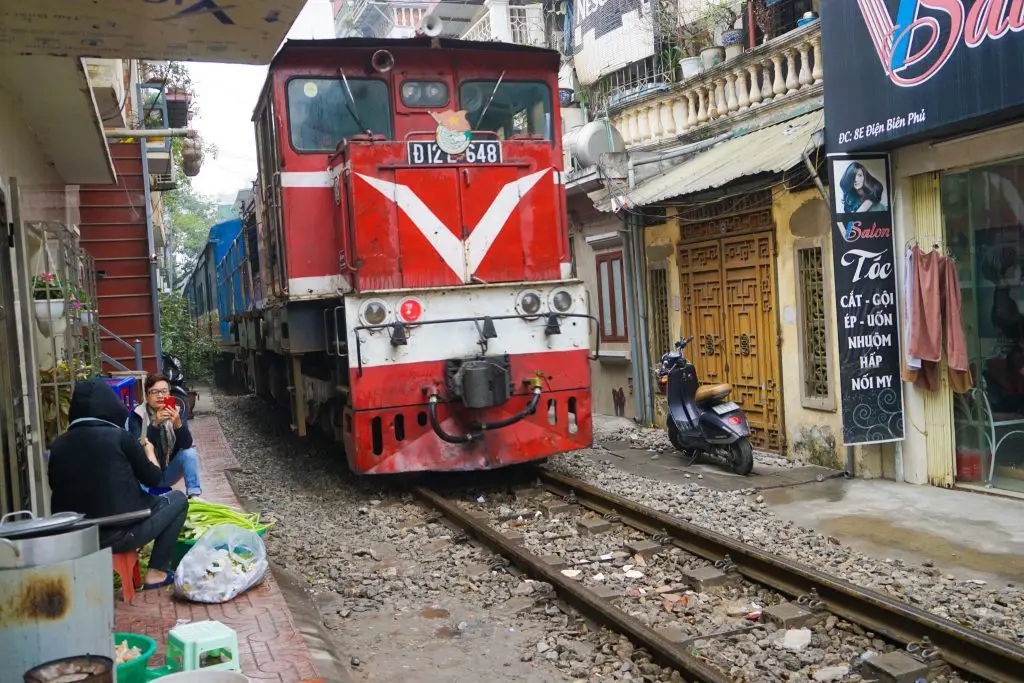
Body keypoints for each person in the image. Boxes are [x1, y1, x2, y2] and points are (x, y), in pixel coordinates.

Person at [48, 378, 186, 589]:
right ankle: (156, 572)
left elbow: (53, 483)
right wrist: (149, 452)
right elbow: (153, 478)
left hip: (77, 538)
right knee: (177, 499)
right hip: (121, 534)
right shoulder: (120, 437)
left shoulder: (57, 445)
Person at [131, 373, 203, 498]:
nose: (160, 396)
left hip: (168, 471)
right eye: (154, 392)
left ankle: (194, 495)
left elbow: (186, 444)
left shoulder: (175, 411)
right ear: (147, 396)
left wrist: (178, 424)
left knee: (190, 453)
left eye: (164, 391)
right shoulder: (138, 415)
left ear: (169, 394)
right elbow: (139, 446)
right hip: (146, 476)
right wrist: (154, 424)